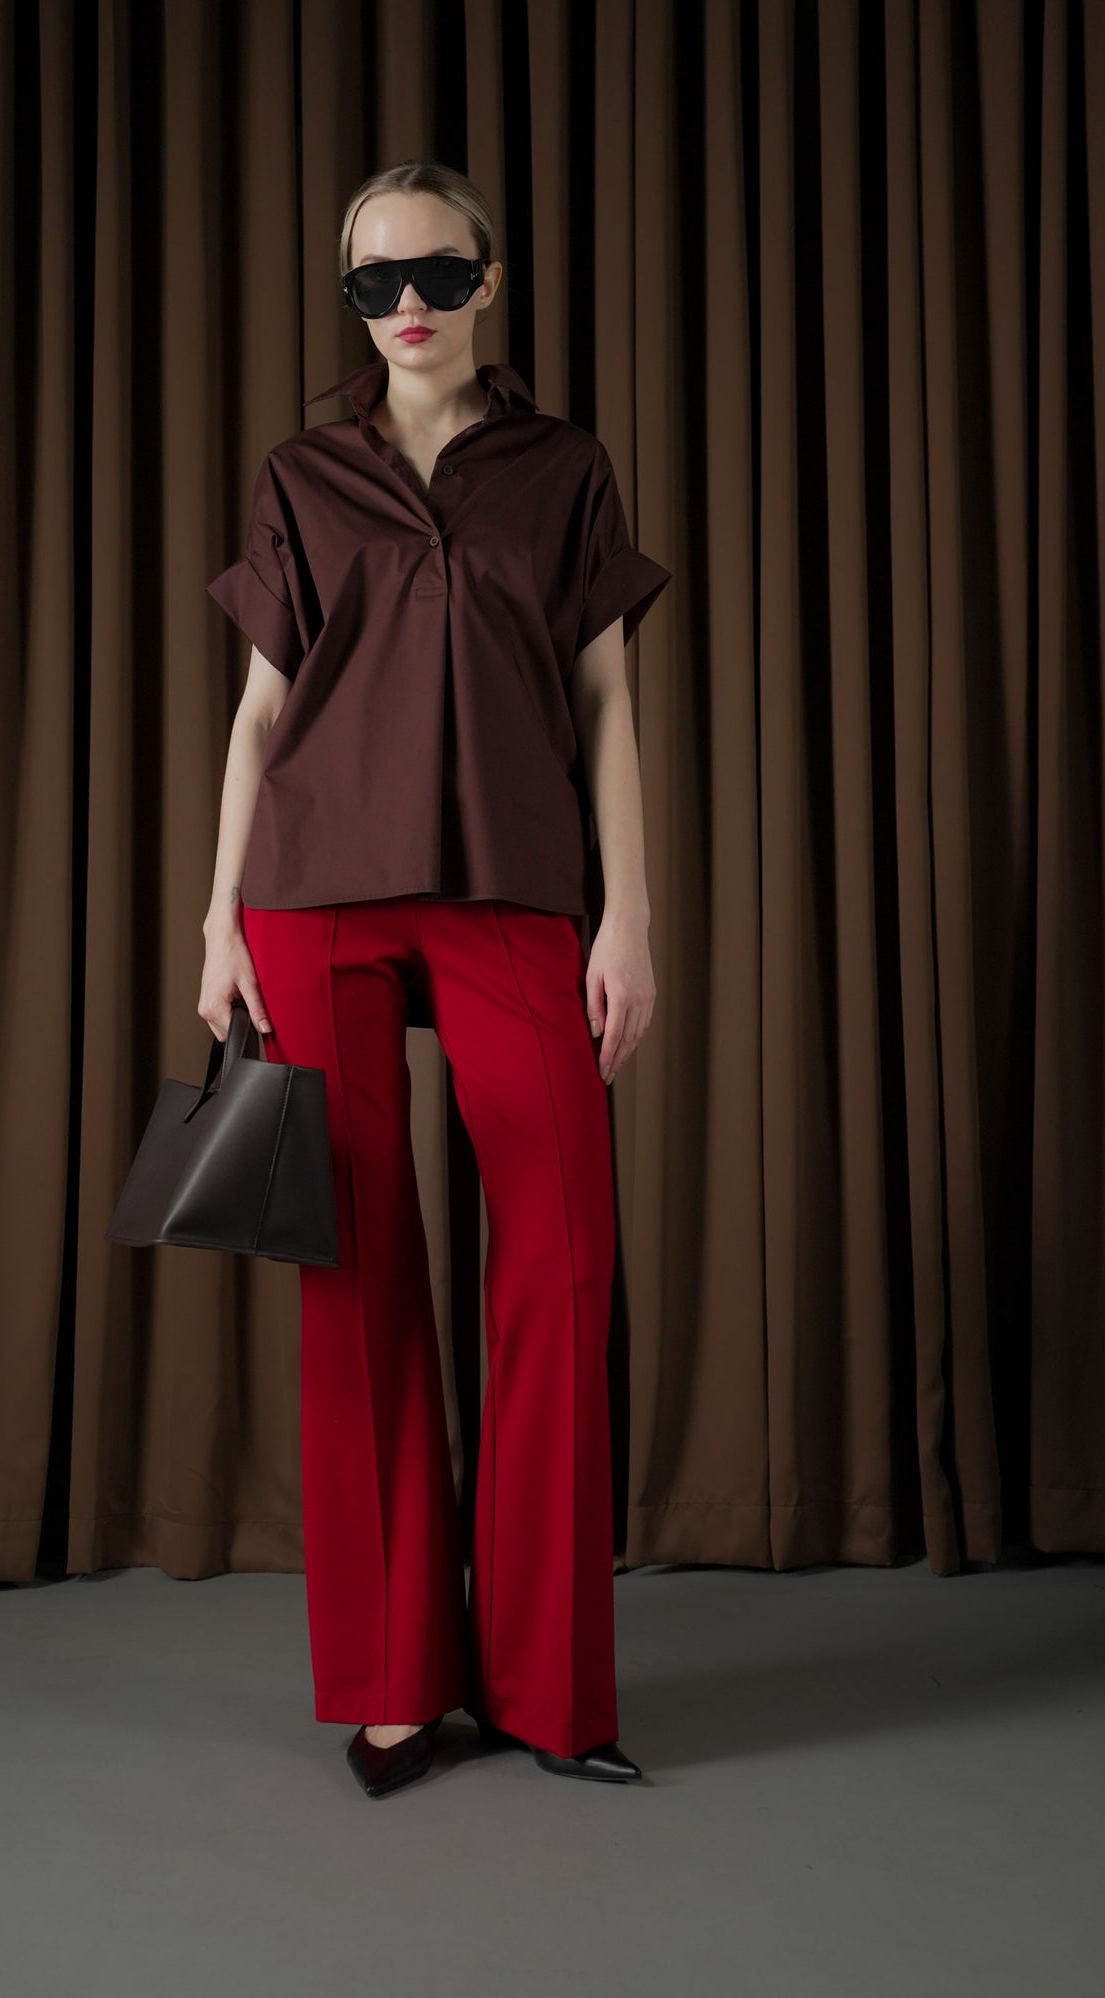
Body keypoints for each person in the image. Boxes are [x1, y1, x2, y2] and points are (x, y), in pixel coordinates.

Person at [198, 159, 670, 1799]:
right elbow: (262, 712)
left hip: (514, 887)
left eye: (439, 276)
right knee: (358, 1280)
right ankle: (397, 1681)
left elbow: (606, 700)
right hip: (314, 892)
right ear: (353, 300)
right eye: (375, 283)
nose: (409, 306)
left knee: (563, 1258)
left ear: (490, 282)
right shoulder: (303, 476)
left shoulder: (562, 470)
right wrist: (214, 919)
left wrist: (629, 914)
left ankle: (549, 1687)